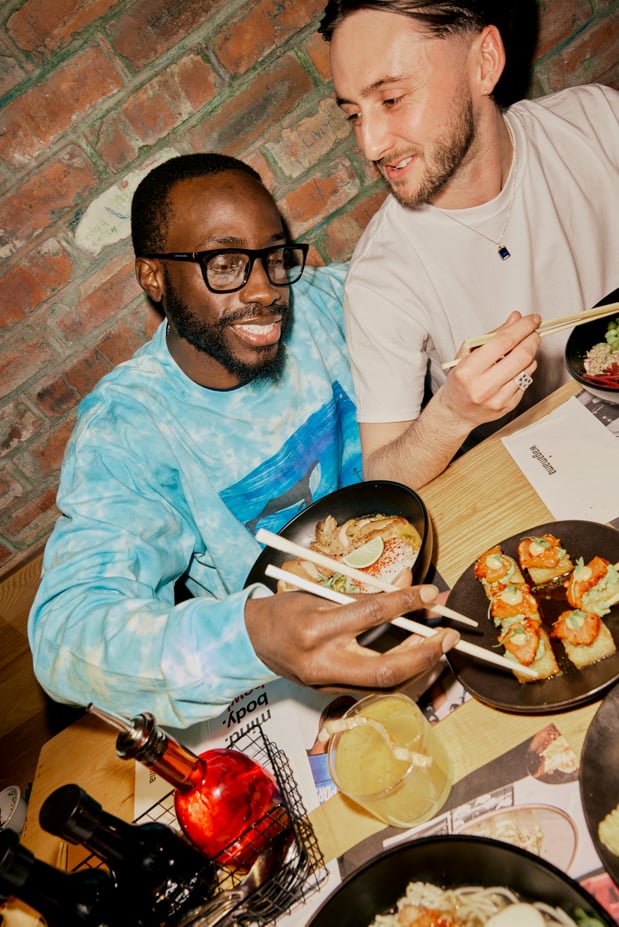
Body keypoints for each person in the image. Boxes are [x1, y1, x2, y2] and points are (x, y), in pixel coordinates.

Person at [28, 153, 459, 729]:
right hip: (300, 679)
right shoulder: (128, 426)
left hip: (436, 567)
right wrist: (252, 636)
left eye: (274, 257)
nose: (267, 292)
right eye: (225, 265)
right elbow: (66, 638)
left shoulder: (325, 305)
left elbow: (424, 270)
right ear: (153, 276)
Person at [319, 0, 619, 488]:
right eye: (354, 114)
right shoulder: (381, 277)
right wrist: (452, 415)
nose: (370, 145)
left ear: (484, 63)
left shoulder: (597, 120)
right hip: (551, 488)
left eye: (391, 100)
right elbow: (384, 476)